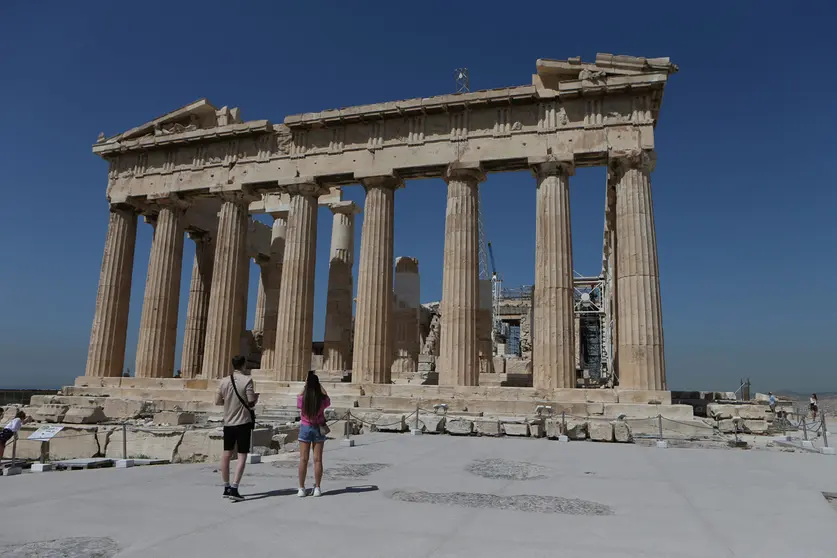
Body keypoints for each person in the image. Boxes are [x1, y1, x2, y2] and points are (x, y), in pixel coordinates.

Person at [215, 355, 258, 502]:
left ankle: (226, 486)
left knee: (226, 454)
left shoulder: (224, 381)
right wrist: (255, 399)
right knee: (242, 456)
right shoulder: (247, 380)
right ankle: (234, 487)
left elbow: (218, 401)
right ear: (244, 365)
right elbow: (251, 402)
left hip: (228, 423)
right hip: (243, 423)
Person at [297, 371, 330, 497]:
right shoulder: (321, 400)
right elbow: (326, 396)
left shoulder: (302, 399)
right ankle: (317, 488)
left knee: (303, 459)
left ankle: (301, 488)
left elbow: (299, 396)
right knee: (317, 460)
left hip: (305, 428)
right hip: (318, 428)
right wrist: (318, 385)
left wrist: (306, 385)